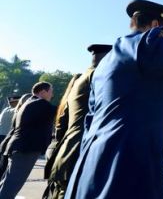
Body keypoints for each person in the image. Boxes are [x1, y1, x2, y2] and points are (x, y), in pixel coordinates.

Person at [65, 0, 163, 199]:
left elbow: (89, 121)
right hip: (128, 170)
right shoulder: (144, 45)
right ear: (156, 26)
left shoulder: (105, 63)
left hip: (90, 167)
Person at [43, 44, 112, 199]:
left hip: (67, 151)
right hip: (82, 153)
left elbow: (62, 122)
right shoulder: (99, 77)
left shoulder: (78, 80)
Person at [0, 82, 55, 198]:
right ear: (43, 92)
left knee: (7, 183)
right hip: (26, 150)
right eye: (51, 91)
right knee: (12, 185)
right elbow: (59, 111)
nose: (52, 94)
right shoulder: (40, 104)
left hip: (19, 148)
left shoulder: (29, 103)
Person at [0, 94, 32, 178]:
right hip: (8, 137)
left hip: (2, 136)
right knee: (6, 162)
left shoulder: (5, 110)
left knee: (2, 160)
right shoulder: (16, 111)